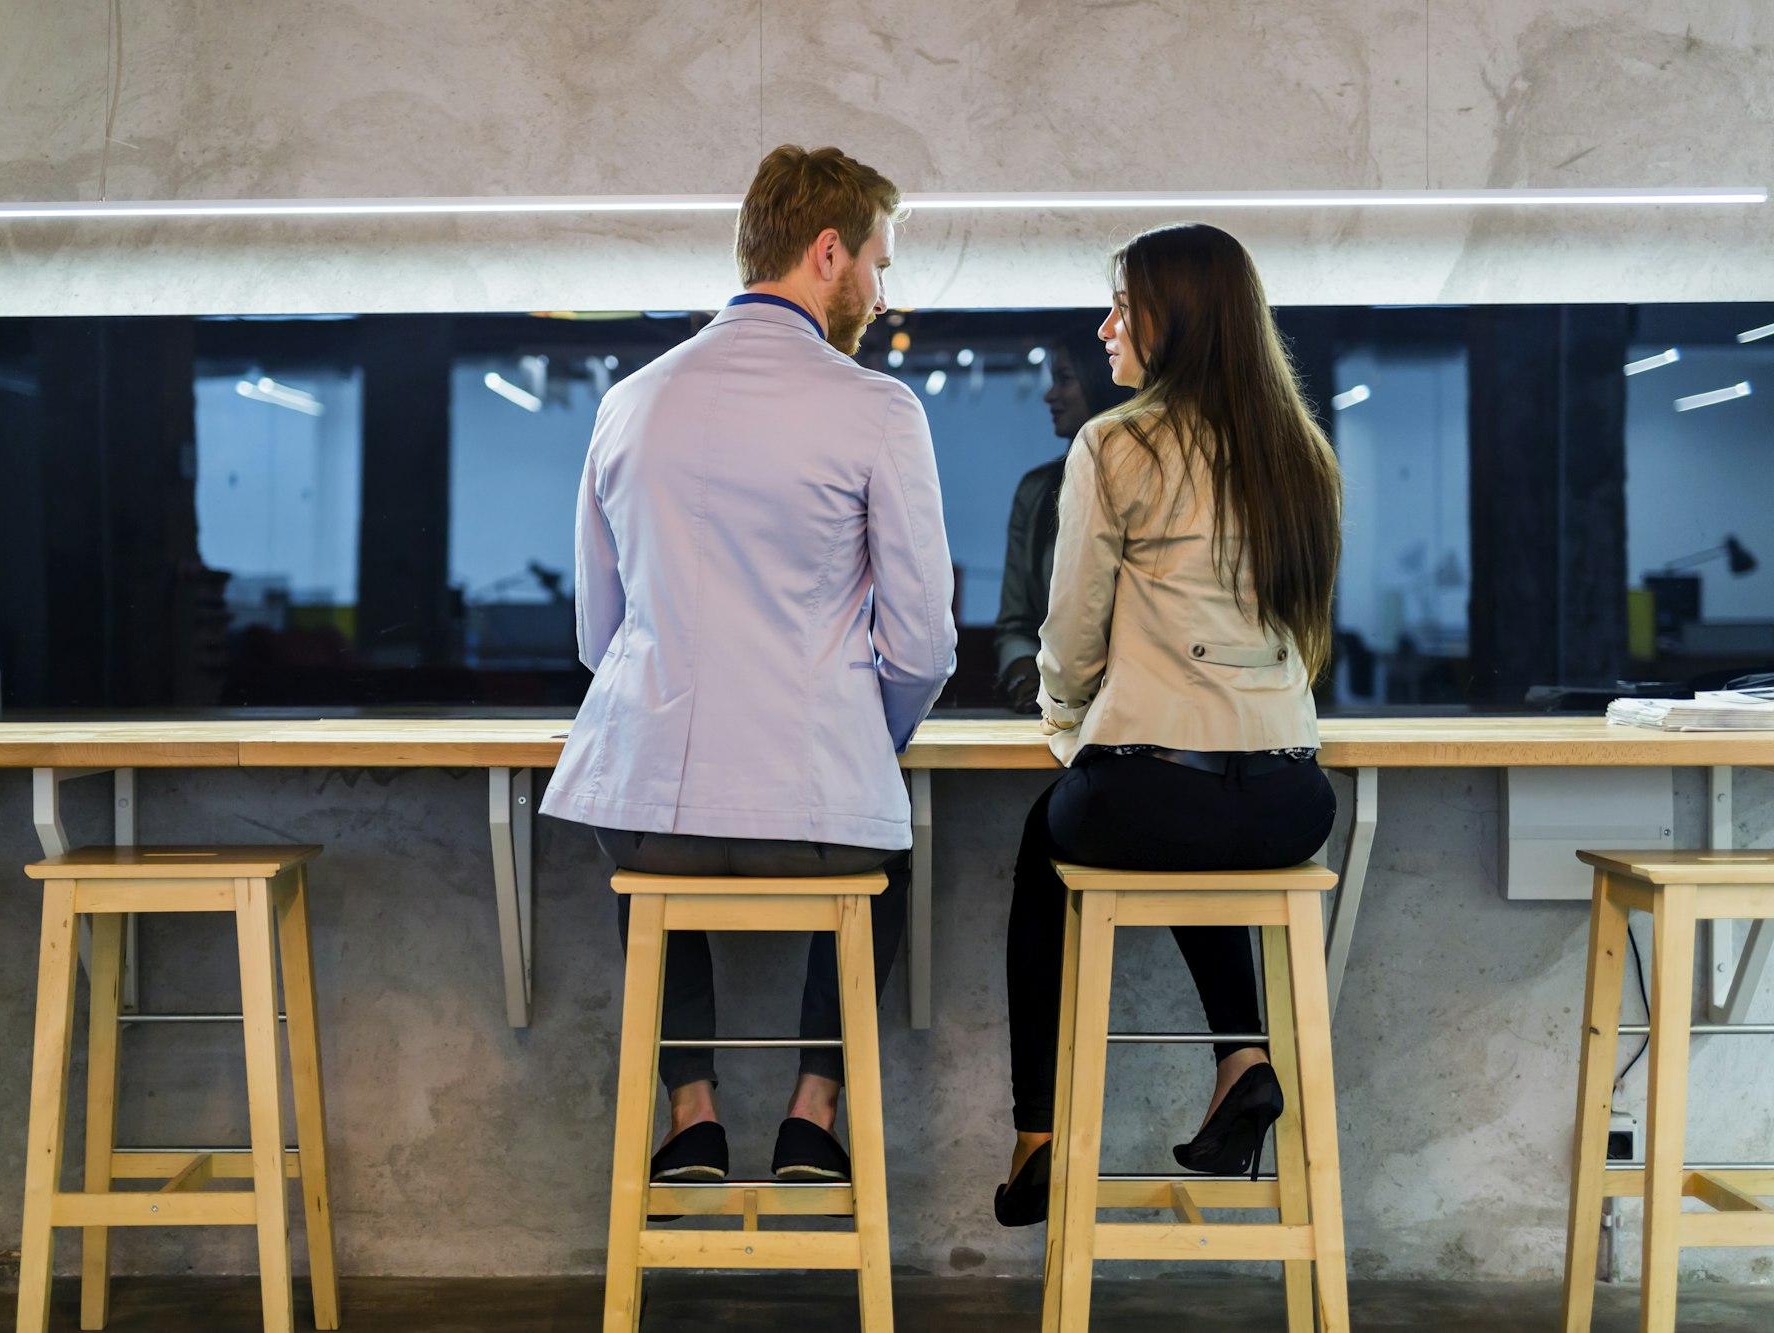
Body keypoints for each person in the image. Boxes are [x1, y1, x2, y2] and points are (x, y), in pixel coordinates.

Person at [541, 145, 956, 1186]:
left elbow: (598, 638)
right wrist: (867, 737)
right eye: (877, 260)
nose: (879, 284)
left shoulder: (628, 401)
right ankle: (812, 1114)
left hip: (651, 811)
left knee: (645, 854)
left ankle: (690, 1114)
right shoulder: (877, 409)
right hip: (814, 827)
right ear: (828, 253)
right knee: (887, 845)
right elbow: (922, 645)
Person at [992, 222, 1342, 1226]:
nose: (1105, 329)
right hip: (1289, 801)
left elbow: (1067, 633)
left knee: (1082, 819)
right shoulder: (1300, 452)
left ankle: (1040, 1133)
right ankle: (1240, 1057)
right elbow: (1302, 632)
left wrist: (1066, 722)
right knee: (1178, 816)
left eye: (1120, 305)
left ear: (1173, 318)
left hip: (1157, 792)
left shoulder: (1114, 444)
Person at [993, 333, 1126, 711]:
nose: (1050, 395)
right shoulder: (1036, 493)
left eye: (1065, 378)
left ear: (1101, 380)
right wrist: (1027, 681)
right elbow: (1015, 624)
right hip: (1060, 711)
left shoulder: (1154, 482)